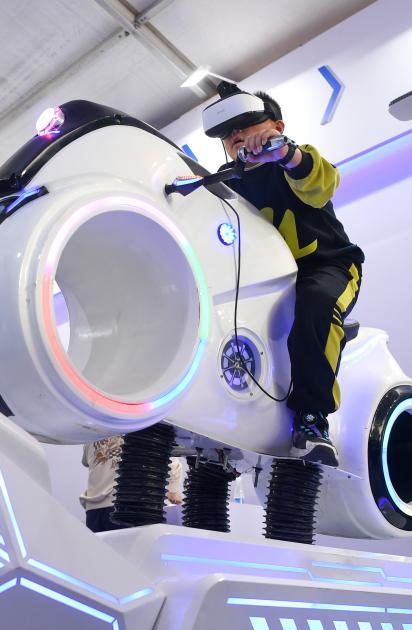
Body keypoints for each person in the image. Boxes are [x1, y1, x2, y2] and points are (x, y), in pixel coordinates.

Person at [207, 84, 364, 467]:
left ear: (277, 126)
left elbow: (323, 183)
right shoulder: (224, 182)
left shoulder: (294, 159)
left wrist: (286, 154)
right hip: (261, 282)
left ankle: (313, 419)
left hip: (327, 266)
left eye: (246, 124)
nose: (237, 135)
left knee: (317, 304)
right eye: (228, 133)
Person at [80, 436, 183, 532]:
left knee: (99, 545)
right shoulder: (140, 428)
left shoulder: (94, 433)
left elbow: (86, 461)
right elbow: (171, 461)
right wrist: (173, 491)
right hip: (125, 506)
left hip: (93, 509)